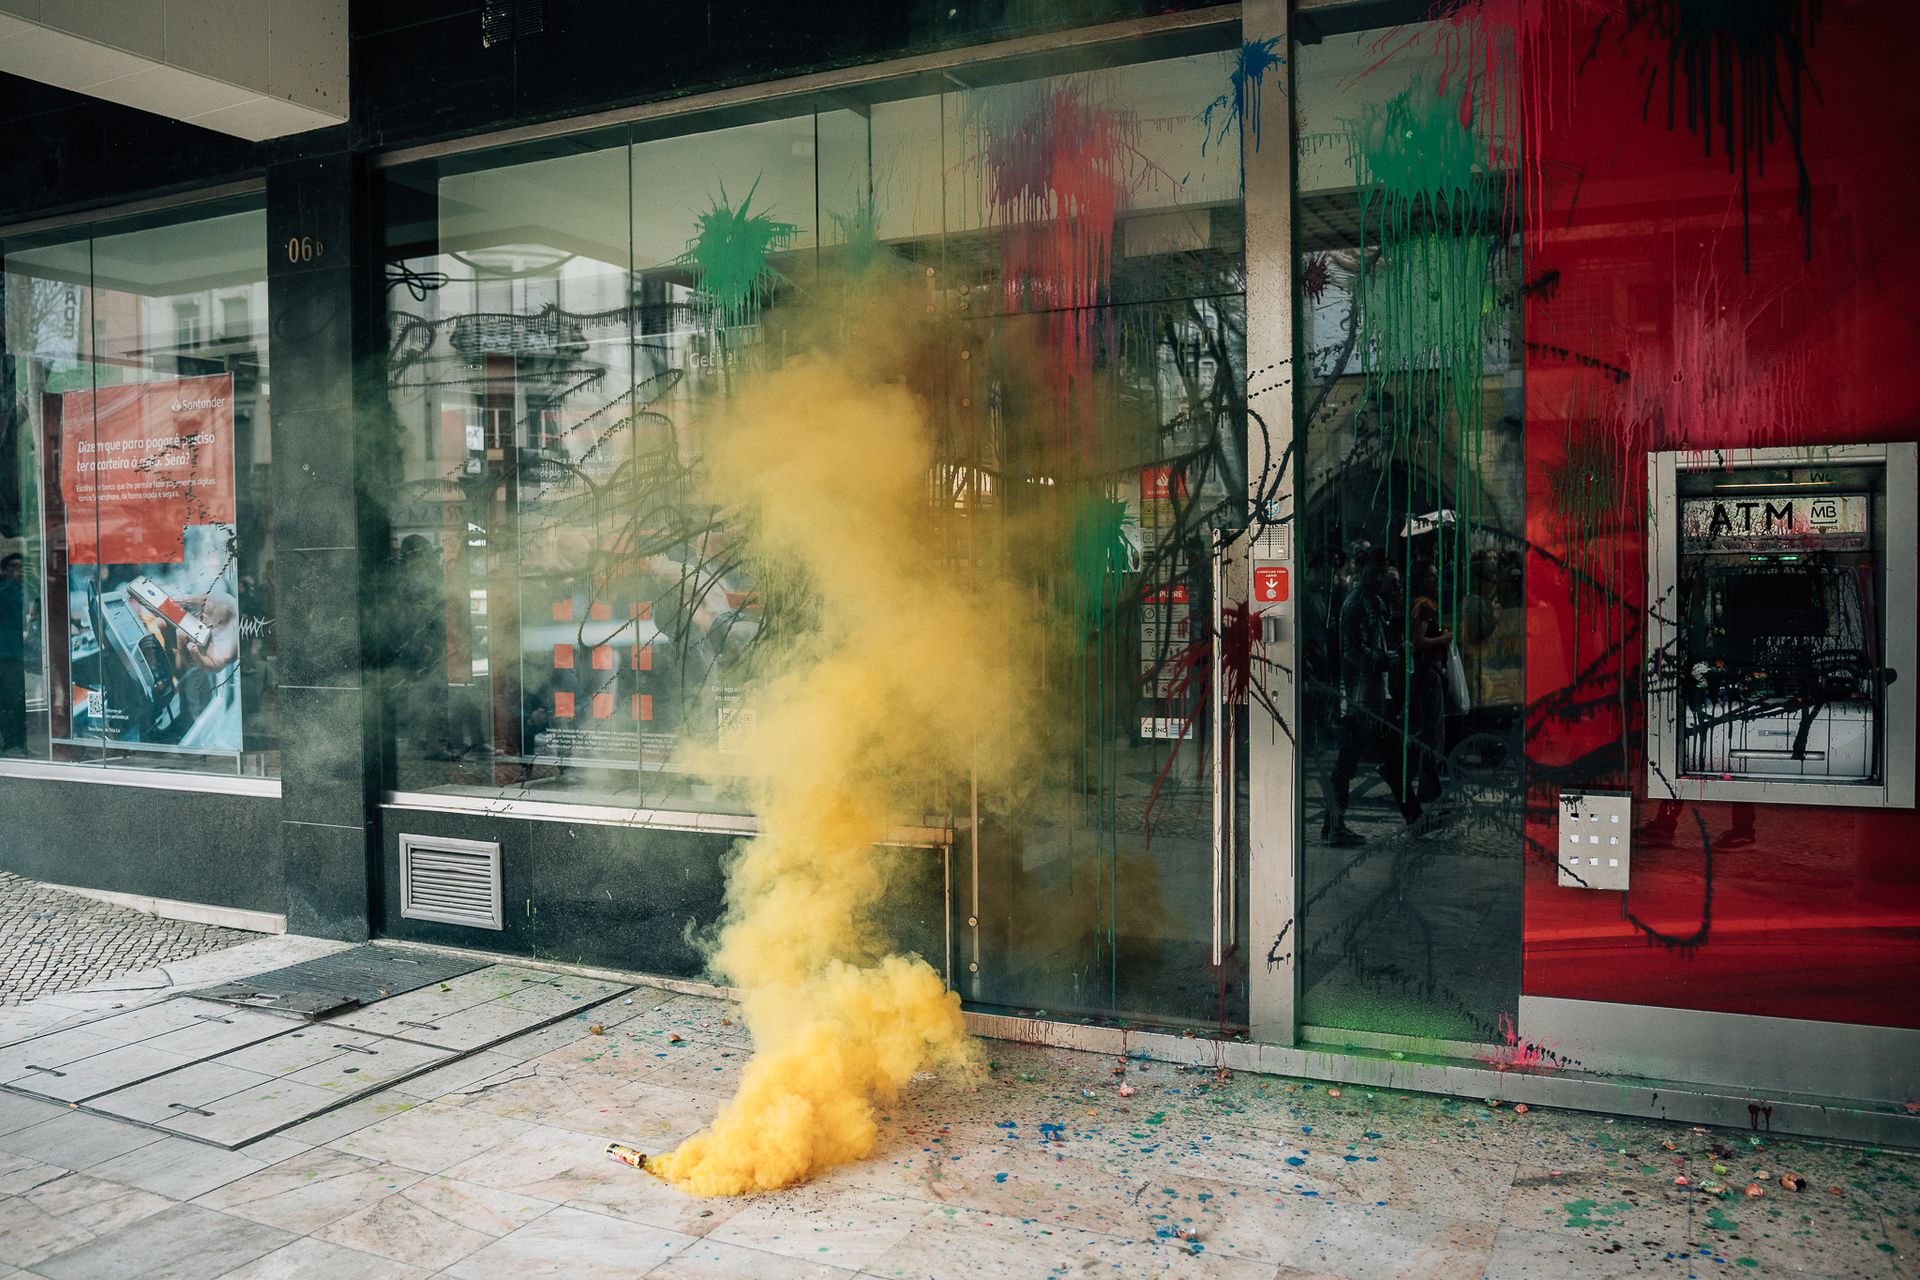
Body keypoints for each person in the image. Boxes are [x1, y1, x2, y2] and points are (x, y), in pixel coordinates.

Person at [0, 552, 27, 756]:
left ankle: (16, 741)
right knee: (12, 701)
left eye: (21, 567)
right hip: (9, 656)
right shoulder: (7, 592)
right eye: (13, 567)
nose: (18, 571)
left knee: (17, 700)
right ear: (5, 571)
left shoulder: (21, 591)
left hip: (17, 654)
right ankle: (12, 742)